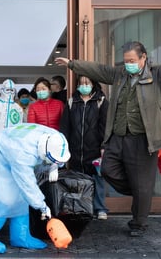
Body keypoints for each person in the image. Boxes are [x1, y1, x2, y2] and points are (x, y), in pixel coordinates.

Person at [55, 41, 161, 237]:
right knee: (108, 169)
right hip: (118, 136)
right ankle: (139, 190)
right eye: (126, 61)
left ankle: (139, 223)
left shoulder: (157, 75)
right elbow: (98, 70)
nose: (128, 64)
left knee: (143, 184)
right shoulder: (119, 75)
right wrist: (72, 63)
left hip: (144, 139)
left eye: (132, 60)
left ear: (143, 58)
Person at [0, 123, 71, 253]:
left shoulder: (55, 137)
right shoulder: (23, 154)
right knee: (3, 198)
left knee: (20, 197)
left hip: (10, 149)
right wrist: (41, 205)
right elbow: (27, 184)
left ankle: (21, 236)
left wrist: (54, 167)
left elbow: (57, 154)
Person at [60, 75, 109, 220]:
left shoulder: (101, 101)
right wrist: (64, 147)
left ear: (93, 84)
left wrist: (103, 146)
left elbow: (105, 126)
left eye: (87, 82)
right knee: (77, 180)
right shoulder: (71, 101)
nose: (84, 85)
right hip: (75, 149)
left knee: (97, 179)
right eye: (81, 83)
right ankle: (81, 208)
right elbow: (65, 126)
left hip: (94, 148)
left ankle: (100, 208)